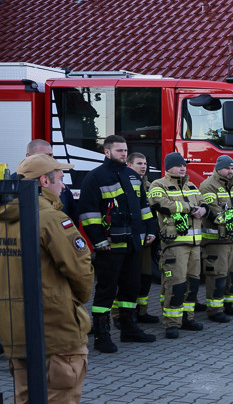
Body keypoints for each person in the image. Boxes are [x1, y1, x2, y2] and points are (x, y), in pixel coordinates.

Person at [0, 154, 95, 404]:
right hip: (54, 325)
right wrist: (78, 301)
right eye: (59, 176)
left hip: (14, 326)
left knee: (25, 400)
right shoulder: (50, 219)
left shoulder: (4, 218)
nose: (63, 182)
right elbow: (80, 271)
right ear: (44, 181)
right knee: (58, 399)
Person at [79, 135, 156, 352]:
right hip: (110, 247)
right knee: (106, 291)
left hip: (133, 245)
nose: (123, 153)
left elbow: (144, 207)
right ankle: (102, 336)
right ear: (107, 152)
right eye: (119, 150)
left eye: (125, 150)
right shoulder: (95, 178)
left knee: (131, 289)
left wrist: (150, 230)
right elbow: (89, 214)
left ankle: (129, 330)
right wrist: (98, 240)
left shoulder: (132, 176)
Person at [147, 152, 206, 338]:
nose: (183, 168)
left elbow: (203, 202)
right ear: (168, 167)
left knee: (192, 284)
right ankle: (171, 323)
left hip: (195, 244)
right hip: (175, 245)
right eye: (178, 165)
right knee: (176, 284)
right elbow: (160, 204)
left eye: (184, 165)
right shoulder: (159, 185)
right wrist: (190, 209)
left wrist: (203, 209)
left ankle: (187, 318)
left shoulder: (191, 185)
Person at [199, 155, 233, 320]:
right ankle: (215, 310)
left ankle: (232, 305)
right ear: (218, 168)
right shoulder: (208, 186)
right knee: (218, 276)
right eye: (227, 168)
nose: (230, 171)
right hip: (217, 241)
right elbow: (215, 211)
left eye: (232, 168)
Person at [127, 152, 161, 325]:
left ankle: (142, 312)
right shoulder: (124, 183)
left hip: (146, 240)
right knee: (127, 279)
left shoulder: (148, 185)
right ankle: (122, 316)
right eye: (139, 163)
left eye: (145, 163)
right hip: (130, 239)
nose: (143, 166)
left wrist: (151, 232)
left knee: (145, 277)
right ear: (129, 165)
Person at [26, 138, 77, 222]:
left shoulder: (64, 190)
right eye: (44, 156)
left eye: (51, 156)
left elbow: (72, 217)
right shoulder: (13, 185)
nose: (49, 159)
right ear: (28, 156)